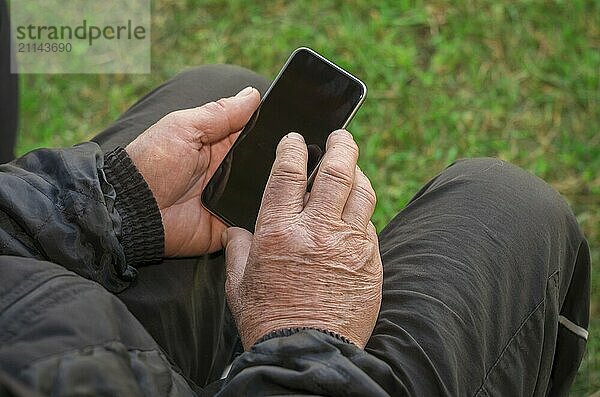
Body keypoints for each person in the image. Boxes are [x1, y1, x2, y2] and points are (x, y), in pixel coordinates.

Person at [0, 4, 591, 397]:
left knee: (218, 86)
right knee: (508, 207)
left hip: (47, 319)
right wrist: (305, 341)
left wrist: (103, 207)